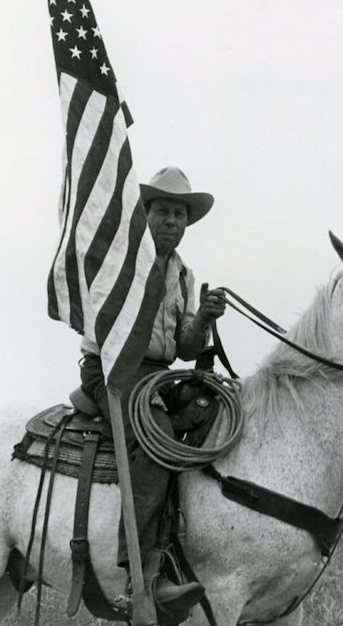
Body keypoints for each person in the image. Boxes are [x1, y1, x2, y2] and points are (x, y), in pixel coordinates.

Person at [79, 166, 226, 613]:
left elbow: (183, 347)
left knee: (212, 414)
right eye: (163, 210)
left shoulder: (183, 275)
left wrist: (203, 317)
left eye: (180, 213)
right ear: (144, 215)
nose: (172, 221)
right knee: (157, 434)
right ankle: (140, 575)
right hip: (112, 368)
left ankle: (188, 553)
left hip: (157, 373)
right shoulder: (121, 260)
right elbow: (108, 329)